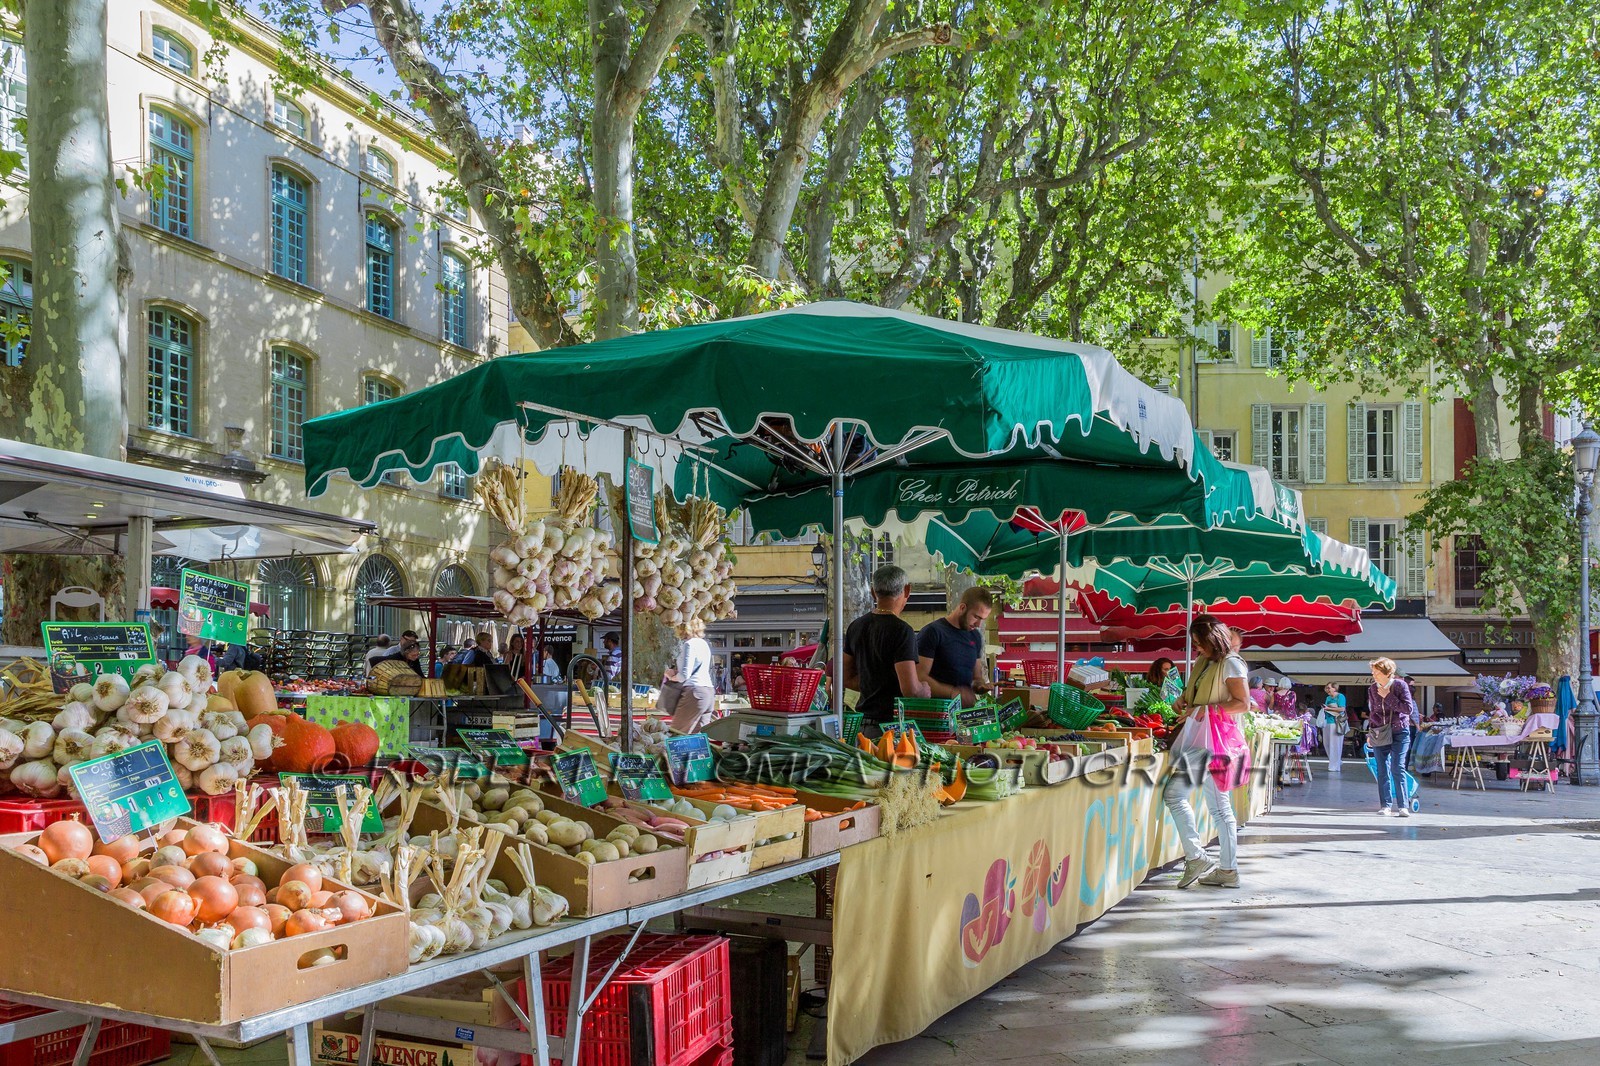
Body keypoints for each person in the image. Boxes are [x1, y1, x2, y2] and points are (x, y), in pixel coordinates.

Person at [1164, 614, 1251, 889]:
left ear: (1213, 640)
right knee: (1214, 806)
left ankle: (1208, 861)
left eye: (1200, 642)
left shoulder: (1232, 664)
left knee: (1202, 803)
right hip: (1201, 742)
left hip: (1214, 743)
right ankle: (1221, 867)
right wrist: (1184, 700)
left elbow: (1242, 704)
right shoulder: (1207, 662)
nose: (1196, 647)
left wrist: (1200, 710)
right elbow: (1198, 695)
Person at [843, 565, 930, 726]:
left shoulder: (855, 626)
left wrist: (872, 687)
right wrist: (924, 689)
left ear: (873, 592)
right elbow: (911, 691)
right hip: (889, 726)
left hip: (861, 724)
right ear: (907, 590)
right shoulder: (903, 631)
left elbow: (845, 678)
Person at [915, 587, 993, 708]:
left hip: (964, 715)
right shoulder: (933, 632)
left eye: (983, 619)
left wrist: (980, 685)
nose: (978, 624)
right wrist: (953, 693)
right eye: (976, 617)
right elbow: (919, 677)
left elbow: (976, 677)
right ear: (962, 608)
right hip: (936, 713)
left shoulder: (975, 636)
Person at [1368, 656, 1418, 817]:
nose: (1374, 675)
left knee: (1397, 767)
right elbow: (1373, 712)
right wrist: (1371, 732)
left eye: (1376, 672)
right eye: (1373, 672)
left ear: (1387, 672)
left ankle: (1403, 806)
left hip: (1400, 731)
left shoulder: (1400, 686)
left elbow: (1408, 709)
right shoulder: (1371, 689)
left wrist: (1387, 696)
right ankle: (1385, 805)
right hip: (1380, 732)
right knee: (1381, 769)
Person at [659, 618, 716, 733]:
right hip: (708, 693)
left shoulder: (689, 644)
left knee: (677, 734)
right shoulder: (704, 644)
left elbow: (684, 675)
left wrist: (670, 675)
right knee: (699, 739)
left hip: (694, 693)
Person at [1319, 682, 1348, 773]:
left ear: (1334, 688)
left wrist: (1329, 708)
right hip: (1327, 721)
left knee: (1335, 744)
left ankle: (1334, 765)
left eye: (1329, 687)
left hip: (1336, 722)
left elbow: (1342, 709)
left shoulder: (1340, 696)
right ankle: (1336, 761)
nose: (1327, 689)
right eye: (1326, 688)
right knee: (1326, 743)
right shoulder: (1328, 698)